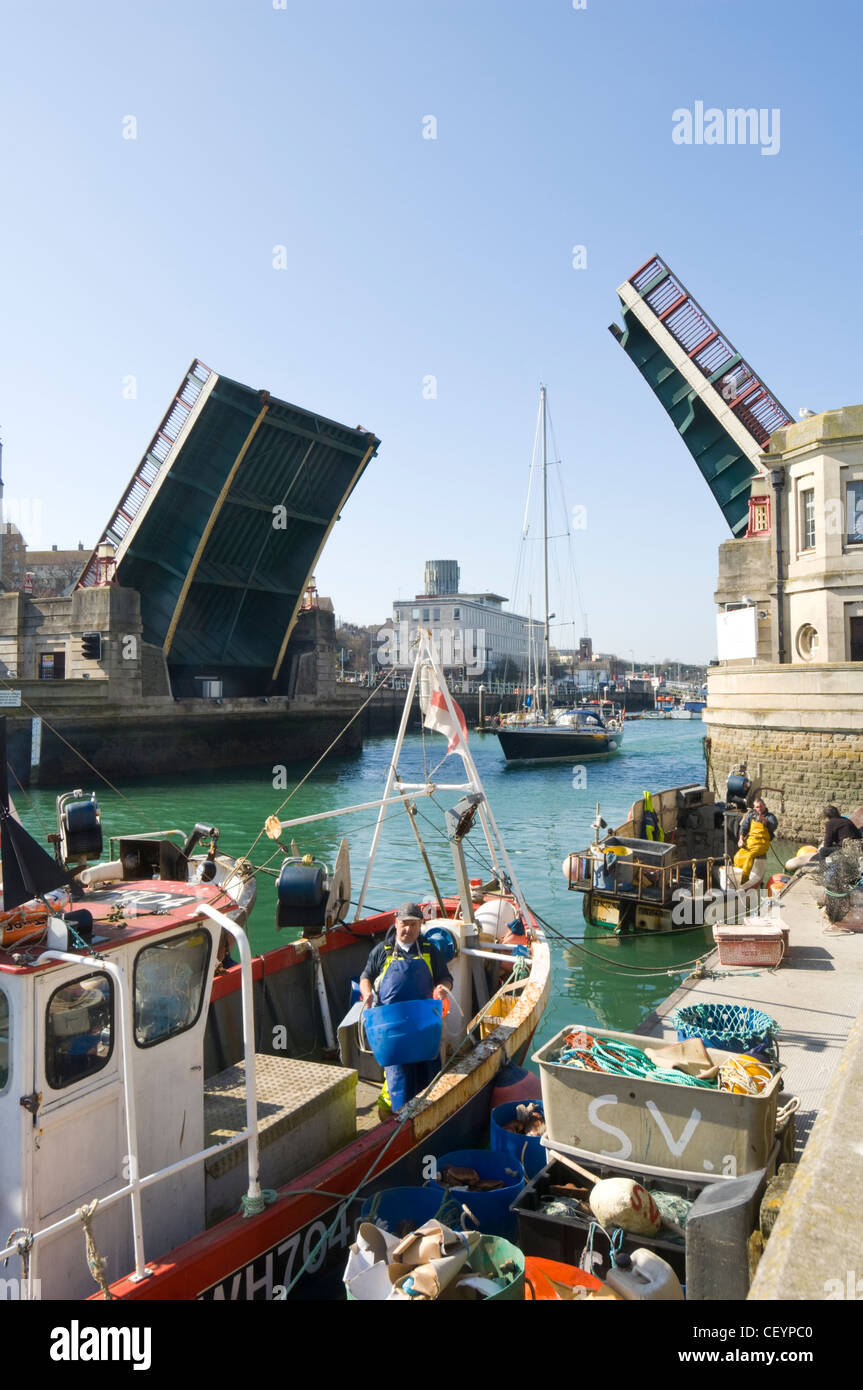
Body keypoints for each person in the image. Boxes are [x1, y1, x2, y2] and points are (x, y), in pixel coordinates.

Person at [360, 902, 453, 1113]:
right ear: (396, 923)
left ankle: (430, 1114)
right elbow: (366, 976)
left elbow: (445, 978)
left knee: (429, 1077)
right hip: (393, 1029)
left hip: (424, 1028)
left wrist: (442, 988)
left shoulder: (430, 950)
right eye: (404, 924)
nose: (408, 929)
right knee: (398, 1078)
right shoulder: (381, 951)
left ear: (420, 925)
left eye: (413, 924)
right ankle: (397, 1116)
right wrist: (367, 994)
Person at [732, 797, 778, 886]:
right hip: (750, 842)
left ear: (764, 806)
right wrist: (741, 840)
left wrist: (764, 820)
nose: (759, 809)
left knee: (749, 856)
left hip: (762, 843)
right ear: (754, 807)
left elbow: (773, 826)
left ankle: (744, 880)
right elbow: (743, 828)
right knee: (737, 856)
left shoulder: (770, 816)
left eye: (760, 806)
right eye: (757, 807)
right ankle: (737, 877)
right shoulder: (751, 816)